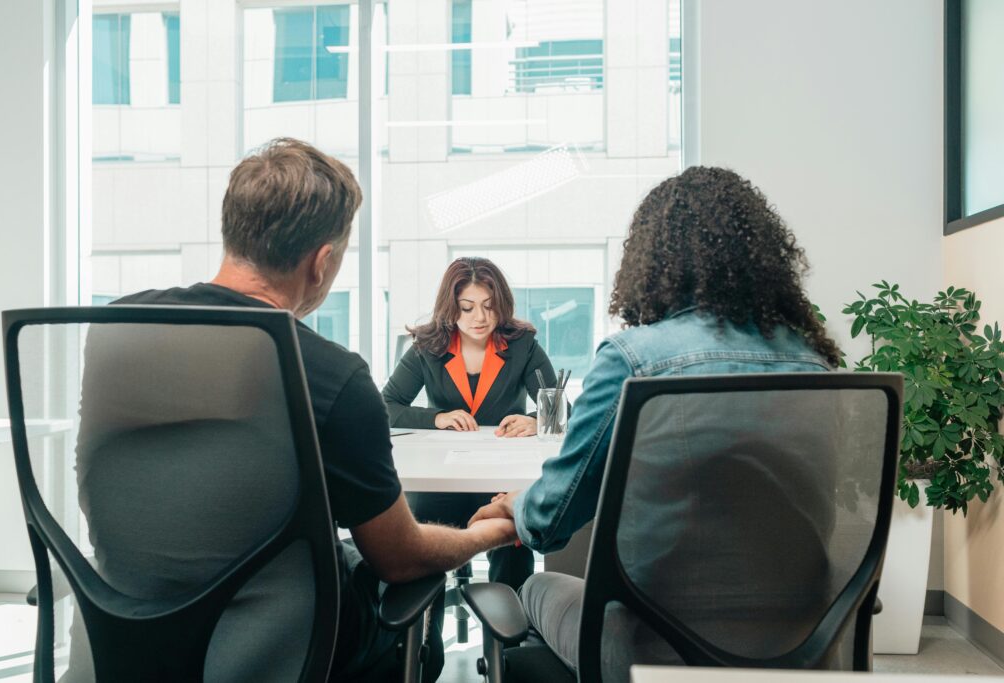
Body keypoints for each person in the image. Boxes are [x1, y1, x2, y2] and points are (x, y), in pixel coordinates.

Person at [73, 138, 516, 682]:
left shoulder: (120, 327)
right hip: (279, 652)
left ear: (232, 228)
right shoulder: (329, 374)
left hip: (120, 635)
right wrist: (490, 532)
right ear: (322, 261)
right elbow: (400, 558)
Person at [468, 166, 841, 678]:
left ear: (653, 259)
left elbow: (552, 521)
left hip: (658, 649)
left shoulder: (635, 359)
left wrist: (515, 503)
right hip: (804, 642)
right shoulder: (812, 363)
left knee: (532, 587)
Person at [382, 257, 561, 593]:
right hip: (442, 479)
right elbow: (385, 405)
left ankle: (510, 641)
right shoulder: (428, 346)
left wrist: (536, 421)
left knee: (512, 548)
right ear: (451, 307)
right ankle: (422, 644)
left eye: (489, 306)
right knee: (421, 555)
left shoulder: (522, 344)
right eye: (467, 307)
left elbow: (563, 411)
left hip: (500, 481)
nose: (479, 318)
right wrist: (436, 418)